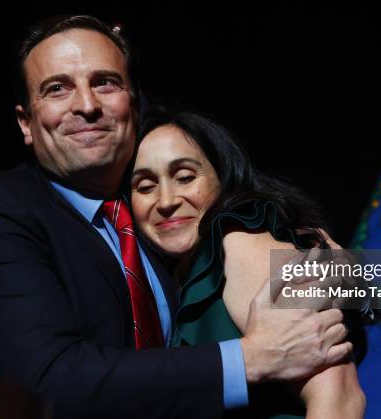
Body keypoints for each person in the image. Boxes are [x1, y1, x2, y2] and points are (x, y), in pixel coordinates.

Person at [0, 15, 359, 419]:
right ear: (26, 123)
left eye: (105, 82)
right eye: (58, 88)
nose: (86, 105)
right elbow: (49, 383)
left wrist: (356, 273)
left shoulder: (230, 238)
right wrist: (251, 359)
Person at [130, 109, 367, 418]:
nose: (166, 201)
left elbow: (341, 398)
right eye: (145, 187)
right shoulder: (179, 276)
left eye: (185, 177)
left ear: (224, 178)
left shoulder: (236, 242)